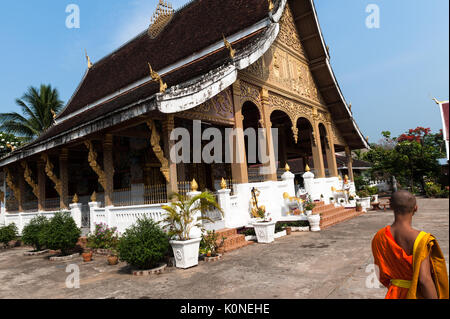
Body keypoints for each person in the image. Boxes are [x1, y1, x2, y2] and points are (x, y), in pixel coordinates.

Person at [371, 190, 449, 299]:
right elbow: (424, 280)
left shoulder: (379, 237)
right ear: (415, 208)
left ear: (391, 207)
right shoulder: (421, 239)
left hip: (394, 294)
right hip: (417, 294)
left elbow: (381, 273)